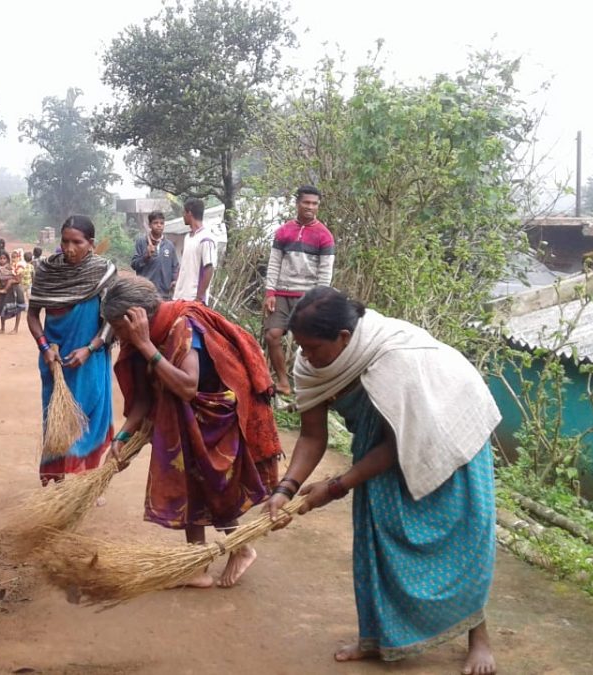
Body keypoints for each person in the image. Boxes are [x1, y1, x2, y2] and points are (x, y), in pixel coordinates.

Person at [265, 287, 498, 675]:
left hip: (446, 434)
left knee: (459, 539)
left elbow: (397, 444)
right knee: (380, 540)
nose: (305, 356)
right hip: (383, 446)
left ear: (344, 337)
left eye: (313, 347)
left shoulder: (393, 359)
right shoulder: (312, 366)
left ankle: (479, 636)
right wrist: (284, 490)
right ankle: (375, 637)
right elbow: (312, 435)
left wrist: (336, 487)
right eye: (300, 346)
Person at [105, 277, 281, 588]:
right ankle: (197, 564)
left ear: (136, 317)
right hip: (184, 419)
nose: (118, 337)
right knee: (189, 484)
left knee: (214, 484)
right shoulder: (142, 336)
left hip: (214, 414)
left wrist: (146, 346)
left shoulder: (182, 326)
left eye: (119, 328)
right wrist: (122, 437)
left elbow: (187, 386)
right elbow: (144, 397)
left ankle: (241, 548)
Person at [27, 215, 117, 483]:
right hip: (56, 361)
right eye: (65, 241)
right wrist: (44, 347)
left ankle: (85, 479)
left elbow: (112, 318)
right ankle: (59, 478)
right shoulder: (46, 271)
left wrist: (90, 348)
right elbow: (33, 314)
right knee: (57, 421)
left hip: (90, 360)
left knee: (91, 417)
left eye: (77, 242)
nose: (69, 248)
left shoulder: (103, 272)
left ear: (91, 243)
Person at [263, 186, 334, 396]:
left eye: (314, 204)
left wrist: (320, 299)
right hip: (282, 293)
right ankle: (283, 382)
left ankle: (310, 387)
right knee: (272, 336)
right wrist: (270, 292)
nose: (310, 207)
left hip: (308, 296)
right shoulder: (284, 231)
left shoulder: (324, 235)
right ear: (297, 203)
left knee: (310, 342)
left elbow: (325, 271)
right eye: (306, 202)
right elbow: (274, 263)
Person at [172, 199, 217, 303]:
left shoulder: (206, 238)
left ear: (189, 213)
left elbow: (209, 268)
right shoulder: (187, 237)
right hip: (179, 297)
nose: (183, 216)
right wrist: (177, 281)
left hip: (193, 299)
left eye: (184, 212)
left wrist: (198, 298)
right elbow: (184, 264)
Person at [131, 210, 179, 299]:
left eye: (161, 223)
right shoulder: (141, 242)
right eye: (155, 223)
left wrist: (174, 280)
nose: (159, 225)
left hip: (165, 295)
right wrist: (146, 256)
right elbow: (134, 265)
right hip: (146, 293)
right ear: (150, 225)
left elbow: (175, 266)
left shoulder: (169, 245)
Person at [0, 251, 23, 334]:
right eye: (0, 258)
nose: (2, 260)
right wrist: (13, 276)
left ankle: (16, 329)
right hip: (4, 291)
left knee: (18, 309)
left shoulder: (13, 266)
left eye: (4, 258)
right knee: (2, 308)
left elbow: (20, 277)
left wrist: (16, 276)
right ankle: (2, 328)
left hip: (15, 289)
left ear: (7, 259)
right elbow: (2, 278)